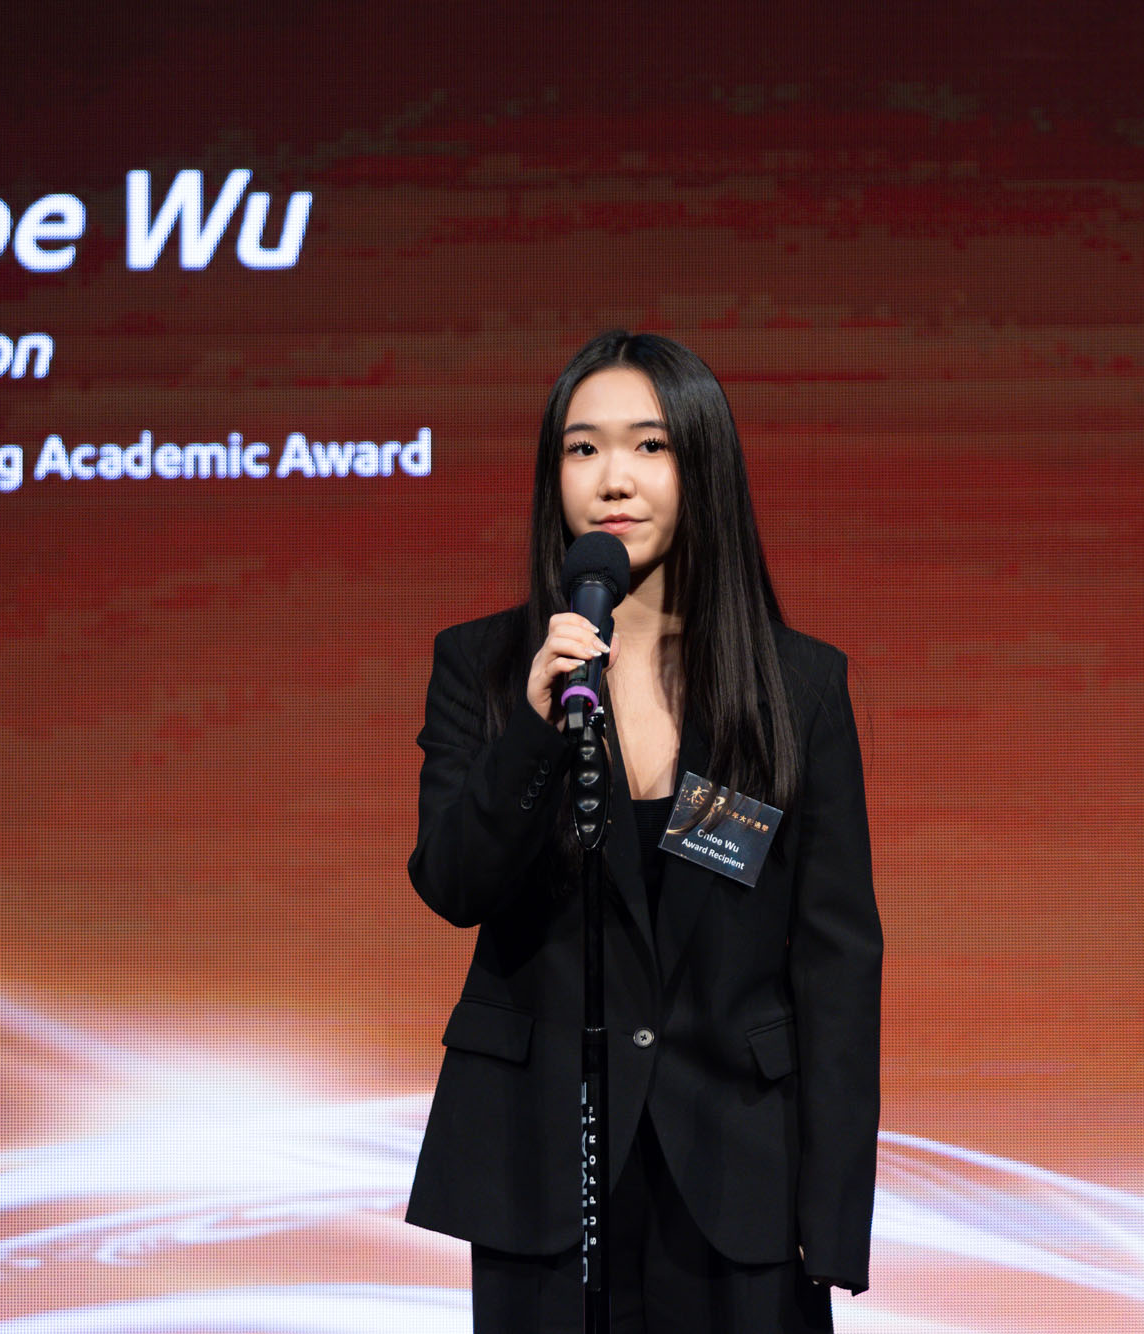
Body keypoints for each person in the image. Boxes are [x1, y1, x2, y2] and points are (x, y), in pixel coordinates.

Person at [405, 330, 883, 1332]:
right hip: (543, 1169)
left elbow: (836, 963)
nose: (612, 478)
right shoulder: (484, 666)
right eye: (582, 448)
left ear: (701, 464)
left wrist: (833, 1214)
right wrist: (532, 732)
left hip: (741, 1177)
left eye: (648, 446)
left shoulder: (796, 686)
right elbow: (453, 882)